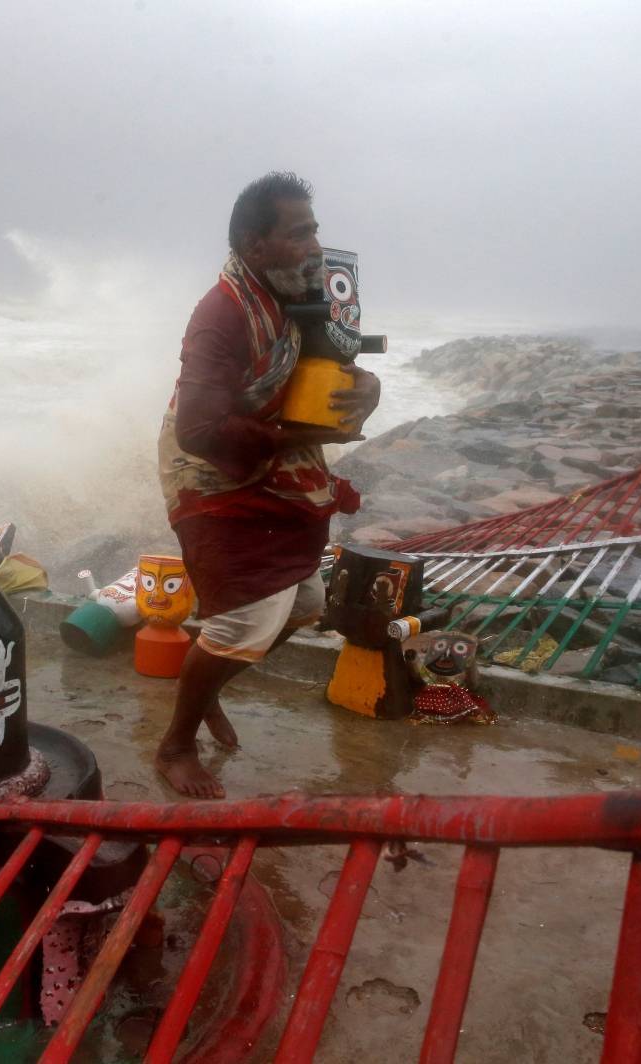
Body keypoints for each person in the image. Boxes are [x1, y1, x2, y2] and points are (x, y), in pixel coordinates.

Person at [154, 171, 380, 797]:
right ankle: (175, 744)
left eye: (315, 230)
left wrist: (367, 389)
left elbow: (339, 369)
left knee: (304, 606)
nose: (314, 246)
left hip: (277, 456)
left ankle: (207, 689)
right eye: (299, 233)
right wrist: (286, 440)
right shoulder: (220, 313)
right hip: (210, 470)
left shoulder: (301, 291)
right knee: (237, 626)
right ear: (256, 247)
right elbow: (199, 430)